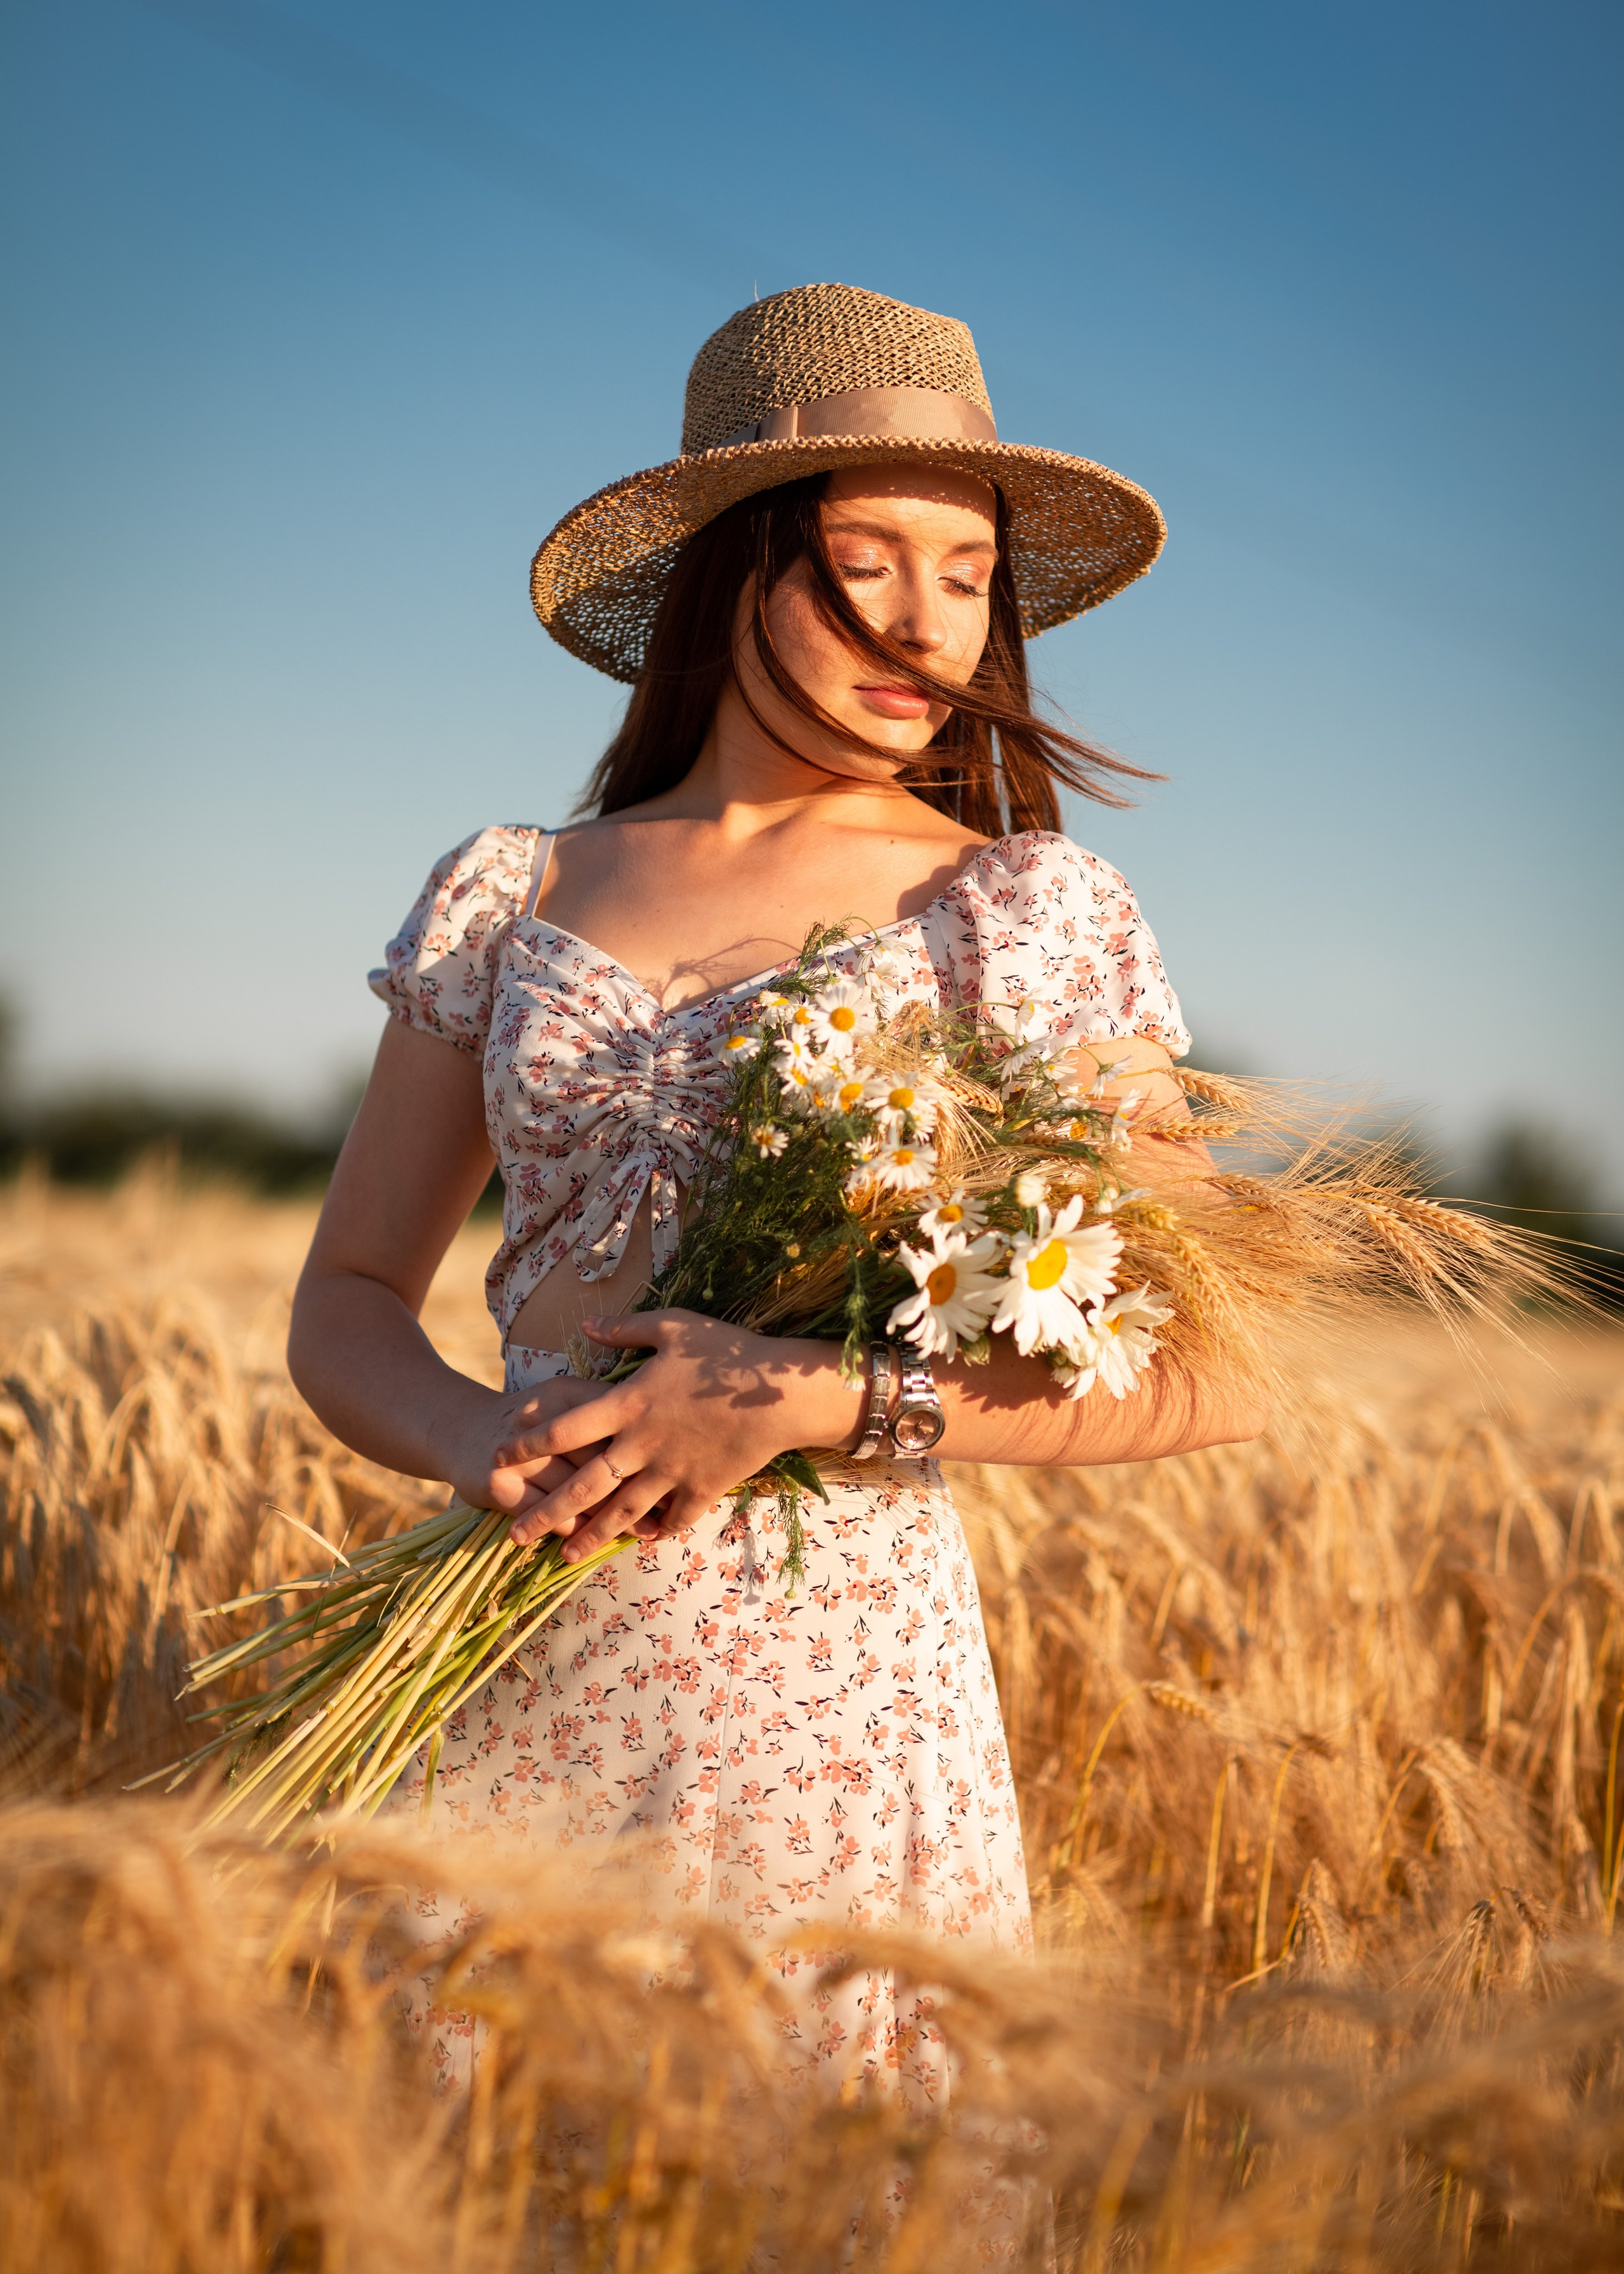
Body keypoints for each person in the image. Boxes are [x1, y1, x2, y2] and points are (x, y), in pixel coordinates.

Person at [288, 283, 1265, 2096]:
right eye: (865, 559)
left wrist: (818, 1398)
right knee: (468, 2168)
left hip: (830, 1708)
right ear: (731, 568)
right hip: (504, 1660)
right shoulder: (513, 889)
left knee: (811, 2172)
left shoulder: (1014, 912)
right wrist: (473, 1439)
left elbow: (1218, 1371)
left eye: (968, 573)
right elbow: (346, 1300)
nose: (928, 622)